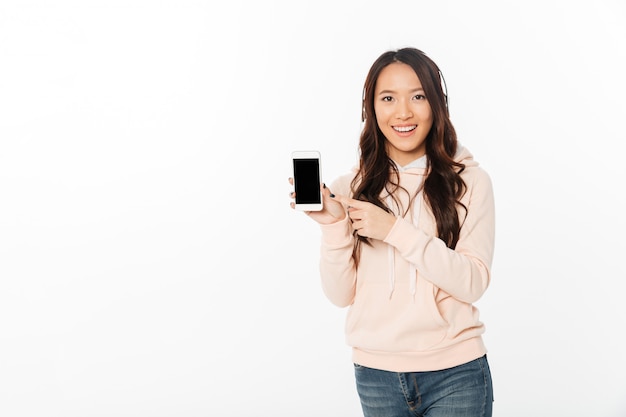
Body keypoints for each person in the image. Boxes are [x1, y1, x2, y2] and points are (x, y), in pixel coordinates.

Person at [289, 47, 495, 417]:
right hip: (376, 375)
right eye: (388, 98)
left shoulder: (470, 182)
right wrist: (334, 227)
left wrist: (395, 230)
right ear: (370, 108)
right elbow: (339, 296)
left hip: (456, 373)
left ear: (437, 104)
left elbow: (473, 282)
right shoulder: (349, 187)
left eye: (418, 96)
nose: (403, 112)